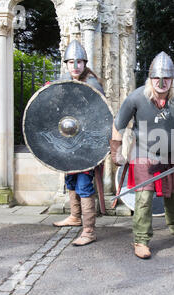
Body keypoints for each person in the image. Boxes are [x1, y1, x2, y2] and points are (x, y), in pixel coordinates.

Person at [110, 51, 174, 259]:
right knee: (144, 197)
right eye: (157, 78)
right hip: (143, 153)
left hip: (170, 154)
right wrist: (117, 152)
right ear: (150, 78)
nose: (161, 82)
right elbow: (118, 126)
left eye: (166, 78)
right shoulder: (136, 97)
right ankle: (141, 239)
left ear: (172, 79)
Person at [52, 40, 105, 246]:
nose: (75, 67)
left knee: (84, 184)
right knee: (70, 181)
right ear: (65, 64)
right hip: (68, 142)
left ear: (85, 64)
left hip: (87, 144)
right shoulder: (64, 80)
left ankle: (89, 230)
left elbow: (99, 117)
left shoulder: (92, 84)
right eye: (71, 62)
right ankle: (75, 216)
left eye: (79, 62)